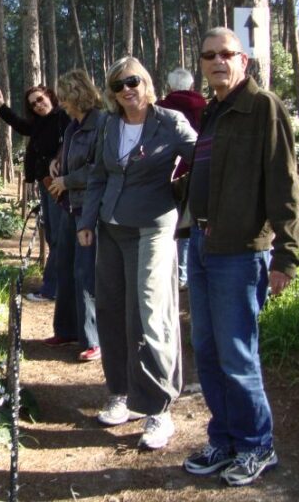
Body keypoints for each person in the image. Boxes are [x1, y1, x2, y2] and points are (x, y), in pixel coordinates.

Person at [182, 27, 299, 486]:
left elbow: (284, 185)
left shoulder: (262, 107)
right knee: (207, 350)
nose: (217, 62)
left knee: (237, 354)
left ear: (243, 60)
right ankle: (226, 438)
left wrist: (285, 256)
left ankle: (257, 445)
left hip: (239, 252)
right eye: (209, 55)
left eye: (226, 54)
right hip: (202, 246)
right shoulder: (213, 111)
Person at [78, 57, 196, 450]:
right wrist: (86, 222)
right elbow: (98, 175)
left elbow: (204, 157)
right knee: (111, 309)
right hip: (111, 227)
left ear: (146, 81)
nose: (126, 90)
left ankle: (159, 408)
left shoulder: (171, 122)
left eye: (133, 81)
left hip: (152, 225)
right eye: (117, 85)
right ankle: (122, 392)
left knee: (149, 311)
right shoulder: (110, 125)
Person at [46, 70, 104, 358]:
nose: (63, 105)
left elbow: (98, 168)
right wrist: (56, 164)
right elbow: (66, 155)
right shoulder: (72, 127)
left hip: (89, 208)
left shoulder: (101, 124)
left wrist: (67, 181)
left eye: (66, 98)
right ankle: (66, 331)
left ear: (77, 95)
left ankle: (93, 340)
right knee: (64, 268)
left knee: (86, 273)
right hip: (68, 206)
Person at [0, 84, 69, 302]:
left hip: (59, 184)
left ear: (49, 96)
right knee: (54, 235)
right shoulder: (39, 123)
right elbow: (21, 126)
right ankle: (57, 286)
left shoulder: (62, 115)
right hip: (45, 183)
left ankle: (52, 289)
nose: (38, 105)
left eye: (40, 99)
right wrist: (1, 107)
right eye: (33, 104)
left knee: (57, 238)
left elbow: (71, 139)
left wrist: (59, 158)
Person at [156, 67, 206, 289]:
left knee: (168, 223)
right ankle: (185, 274)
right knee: (189, 222)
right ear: (192, 85)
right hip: (197, 170)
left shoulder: (161, 108)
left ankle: (174, 273)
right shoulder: (205, 105)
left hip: (171, 173)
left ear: (170, 87)